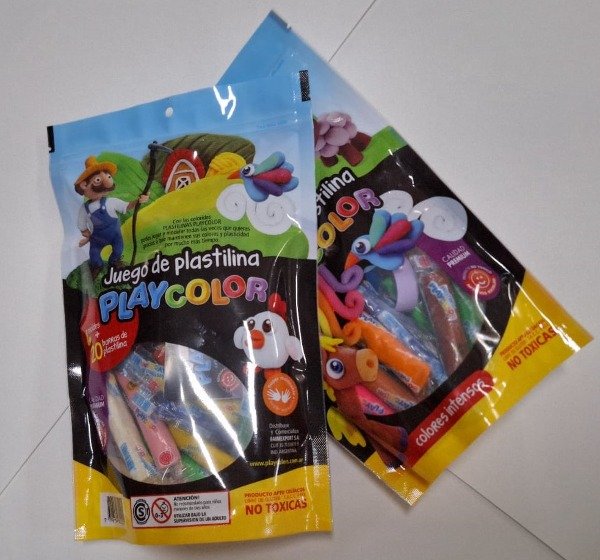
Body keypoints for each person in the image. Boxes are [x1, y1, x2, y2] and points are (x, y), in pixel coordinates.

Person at [74, 156, 148, 276]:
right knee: (94, 254)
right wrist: (86, 233)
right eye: (98, 180)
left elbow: (127, 206)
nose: (108, 181)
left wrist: (138, 201)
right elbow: (81, 223)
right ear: (84, 185)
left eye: (108, 177)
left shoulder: (111, 201)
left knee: (118, 249)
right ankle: (97, 266)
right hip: (97, 239)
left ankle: (114, 262)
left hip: (115, 236)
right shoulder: (85, 208)